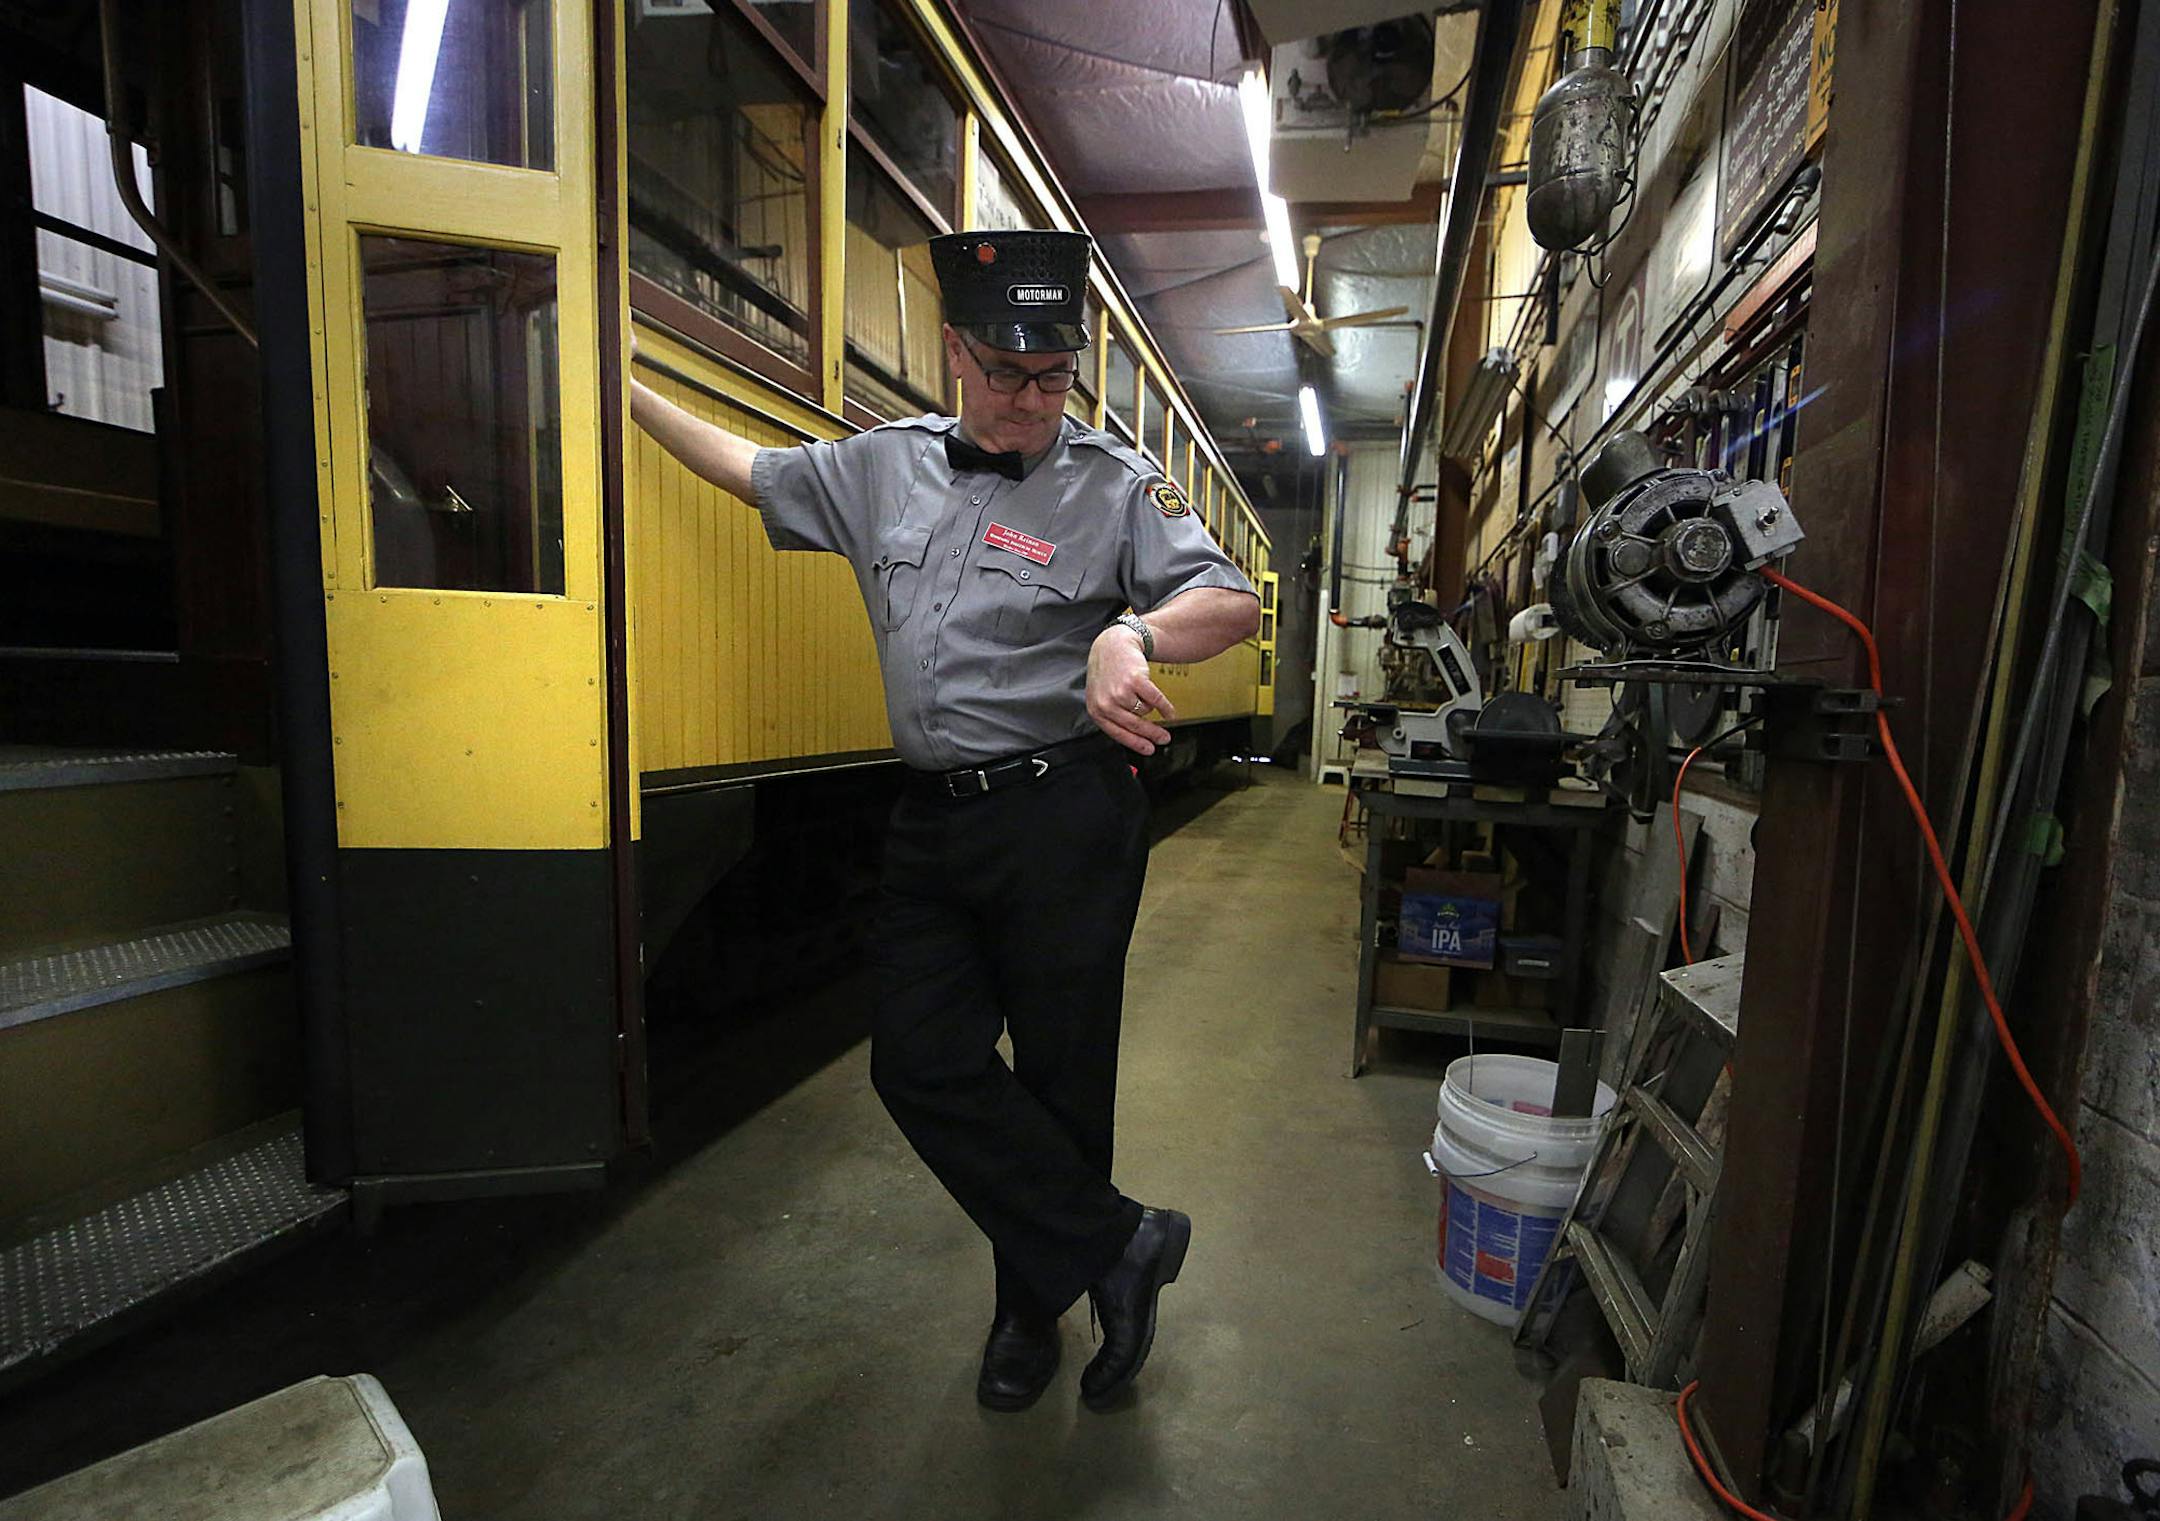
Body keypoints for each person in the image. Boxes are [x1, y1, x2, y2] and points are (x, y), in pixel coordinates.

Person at [628, 228, 1259, 1412]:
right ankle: (1119, 1246)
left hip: (1063, 813)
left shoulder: (1114, 482)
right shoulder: (878, 467)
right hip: (930, 820)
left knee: (1065, 1079)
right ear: (954, 356)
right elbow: (750, 467)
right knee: (919, 1064)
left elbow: (1225, 598)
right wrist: (620, 387)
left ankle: (1029, 1318)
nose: (1031, 400)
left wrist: (1131, 634)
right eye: (1007, 373)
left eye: (1053, 376)